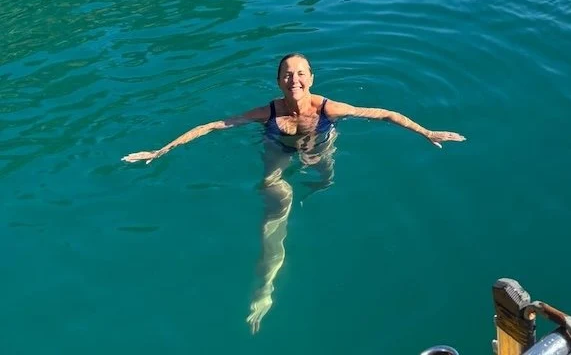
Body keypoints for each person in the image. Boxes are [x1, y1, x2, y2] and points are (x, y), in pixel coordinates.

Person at [122, 52, 465, 332]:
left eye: (301, 73)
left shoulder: (328, 108)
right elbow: (213, 125)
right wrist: (162, 150)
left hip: (320, 144)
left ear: (311, 78)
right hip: (279, 148)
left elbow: (384, 114)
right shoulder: (268, 112)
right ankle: (265, 288)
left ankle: (319, 187)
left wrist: (426, 132)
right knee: (277, 194)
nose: (294, 79)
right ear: (278, 81)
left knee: (325, 176)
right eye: (287, 74)